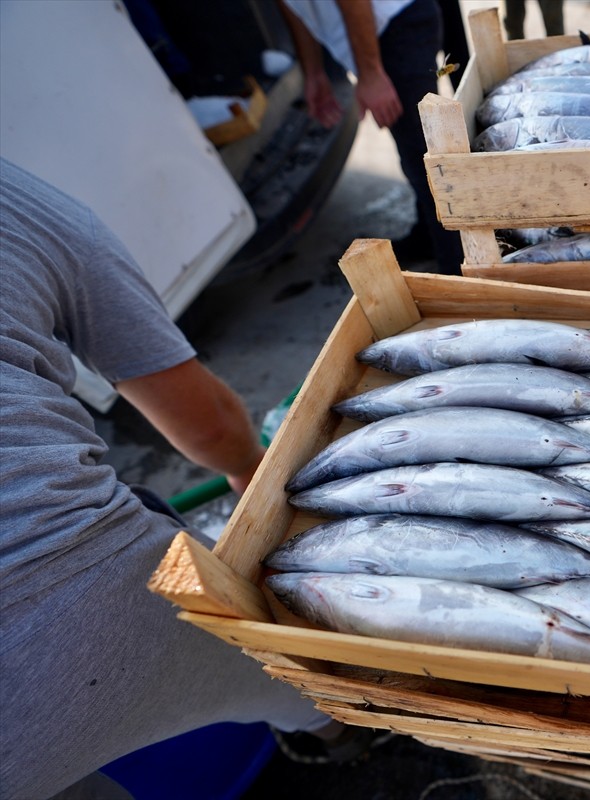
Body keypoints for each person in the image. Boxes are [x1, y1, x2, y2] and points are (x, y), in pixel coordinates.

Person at [0, 158, 381, 799]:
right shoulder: (20, 202)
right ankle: (341, 730)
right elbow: (205, 423)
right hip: (75, 589)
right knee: (294, 672)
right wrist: (249, 472)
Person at [277, 0, 464, 275]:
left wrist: (371, 75)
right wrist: (313, 71)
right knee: (415, 152)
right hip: (380, 28)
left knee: (426, 158)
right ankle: (430, 236)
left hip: (399, 23)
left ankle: (459, 269)